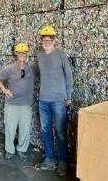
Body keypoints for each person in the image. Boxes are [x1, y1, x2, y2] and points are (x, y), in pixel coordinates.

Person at [37, 25, 73, 176]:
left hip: (58, 100)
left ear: (54, 41)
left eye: (49, 40)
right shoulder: (39, 56)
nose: (46, 42)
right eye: (44, 40)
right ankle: (50, 160)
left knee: (60, 132)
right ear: (41, 41)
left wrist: (68, 96)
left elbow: (69, 76)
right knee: (46, 131)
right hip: (43, 100)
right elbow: (38, 74)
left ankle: (63, 162)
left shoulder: (61, 55)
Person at [0, 42, 35, 161]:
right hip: (11, 104)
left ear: (27, 54)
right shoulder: (10, 69)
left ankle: (22, 150)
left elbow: (45, 70)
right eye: (20, 53)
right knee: (10, 129)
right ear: (16, 54)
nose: (22, 55)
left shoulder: (32, 68)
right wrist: (4, 89)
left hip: (26, 105)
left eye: (24, 53)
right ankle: (10, 150)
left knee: (25, 129)